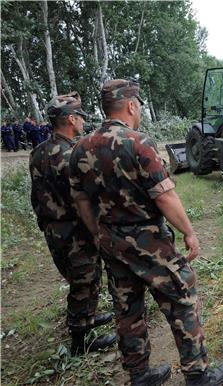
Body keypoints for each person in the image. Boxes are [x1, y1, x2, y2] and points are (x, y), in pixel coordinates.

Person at [69, 79, 223, 386]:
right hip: (150, 243)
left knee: (127, 310)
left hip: (111, 243)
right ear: (130, 105)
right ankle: (198, 374)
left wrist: (97, 233)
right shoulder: (138, 143)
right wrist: (189, 233)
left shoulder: (80, 148)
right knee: (181, 300)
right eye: (138, 104)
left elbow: (80, 200)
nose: (139, 109)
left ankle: (140, 376)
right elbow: (165, 196)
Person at [29, 92, 116, 356]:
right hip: (73, 229)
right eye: (79, 116)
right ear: (69, 119)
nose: (82, 121)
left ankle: (88, 317)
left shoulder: (39, 151)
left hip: (53, 227)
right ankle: (81, 338)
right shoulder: (70, 154)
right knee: (84, 279)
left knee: (80, 276)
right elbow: (85, 197)